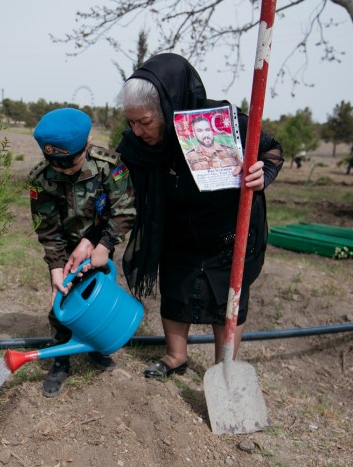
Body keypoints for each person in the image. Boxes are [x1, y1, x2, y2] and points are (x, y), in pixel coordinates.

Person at [71, 53, 283, 379]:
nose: (137, 131)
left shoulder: (217, 124)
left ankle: (223, 369)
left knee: (229, 300)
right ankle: (175, 357)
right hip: (176, 231)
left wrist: (263, 172)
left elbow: (271, 150)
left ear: (169, 109)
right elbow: (117, 195)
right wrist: (94, 239)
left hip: (227, 232)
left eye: (145, 122)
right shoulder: (134, 146)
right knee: (176, 292)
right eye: (131, 122)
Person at [29, 108, 136, 397]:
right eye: (57, 165)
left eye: (70, 164)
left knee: (97, 300)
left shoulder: (109, 167)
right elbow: (48, 229)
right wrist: (55, 266)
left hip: (99, 246)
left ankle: (96, 346)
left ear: (86, 144)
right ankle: (60, 359)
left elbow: (125, 211)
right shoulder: (41, 178)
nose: (63, 171)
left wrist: (104, 245)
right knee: (62, 304)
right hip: (64, 250)